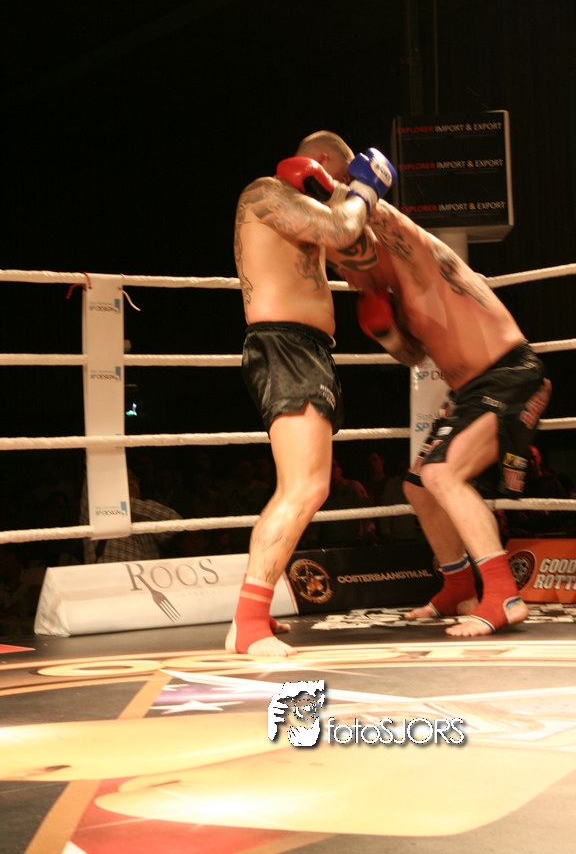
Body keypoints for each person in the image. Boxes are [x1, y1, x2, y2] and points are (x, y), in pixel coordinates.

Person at [336, 156, 552, 637]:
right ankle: (458, 587)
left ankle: (504, 595)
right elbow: (415, 358)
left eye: (342, 264)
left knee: (442, 473)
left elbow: (374, 205)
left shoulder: (415, 254)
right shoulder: (395, 296)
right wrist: (388, 332)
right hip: (473, 391)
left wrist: (341, 183)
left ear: (365, 244)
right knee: (418, 485)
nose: (345, 279)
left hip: (509, 375)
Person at [226, 131, 394, 656]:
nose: (340, 188)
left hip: (309, 350)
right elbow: (345, 228)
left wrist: (348, 201)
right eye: (341, 176)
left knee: (302, 487)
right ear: (322, 162)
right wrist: (363, 189)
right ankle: (247, 624)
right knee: (305, 487)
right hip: (285, 345)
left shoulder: (306, 213)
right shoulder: (265, 194)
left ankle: (251, 615)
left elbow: (359, 251)